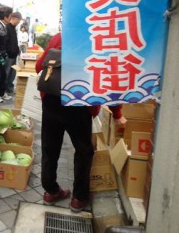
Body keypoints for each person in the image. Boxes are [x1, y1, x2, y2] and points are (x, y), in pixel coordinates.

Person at [35, 33, 127, 212]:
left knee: (49, 148)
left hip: (52, 101)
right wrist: (117, 113)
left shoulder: (60, 37)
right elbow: (110, 81)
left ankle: (50, 191)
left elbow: (39, 66)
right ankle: (79, 198)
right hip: (81, 104)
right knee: (84, 151)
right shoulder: (103, 41)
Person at [5, 11, 22, 94]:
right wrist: (10, 51)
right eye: (18, 21)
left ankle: (10, 88)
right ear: (14, 18)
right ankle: (4, 89)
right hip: (8, 55)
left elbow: (14, 42)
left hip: (14, 55)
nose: (18, 23)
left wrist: (17, 50)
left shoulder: (13, 28)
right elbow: (6, 43)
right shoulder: (7, 27)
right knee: (7, 73)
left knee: (13, 73)